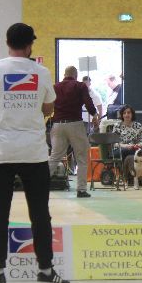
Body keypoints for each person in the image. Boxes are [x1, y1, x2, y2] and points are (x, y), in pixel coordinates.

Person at [0, 23, 69, 283]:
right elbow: (48, 108)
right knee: (39, 213)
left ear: (7, 43)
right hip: (33, 152)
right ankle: (46, 272)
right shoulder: (41, 72)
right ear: (29, 46)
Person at [48, 65, 98, 198]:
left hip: (58, 124)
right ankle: (81, 190)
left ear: (64, 74)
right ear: (76, 75)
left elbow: (48, 105)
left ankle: (38, 186)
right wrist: (94, 115)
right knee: (81, 158)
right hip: (75, 124)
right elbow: (88, 103)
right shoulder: (80, 86)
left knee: (54, 157)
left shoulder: (55, 86)